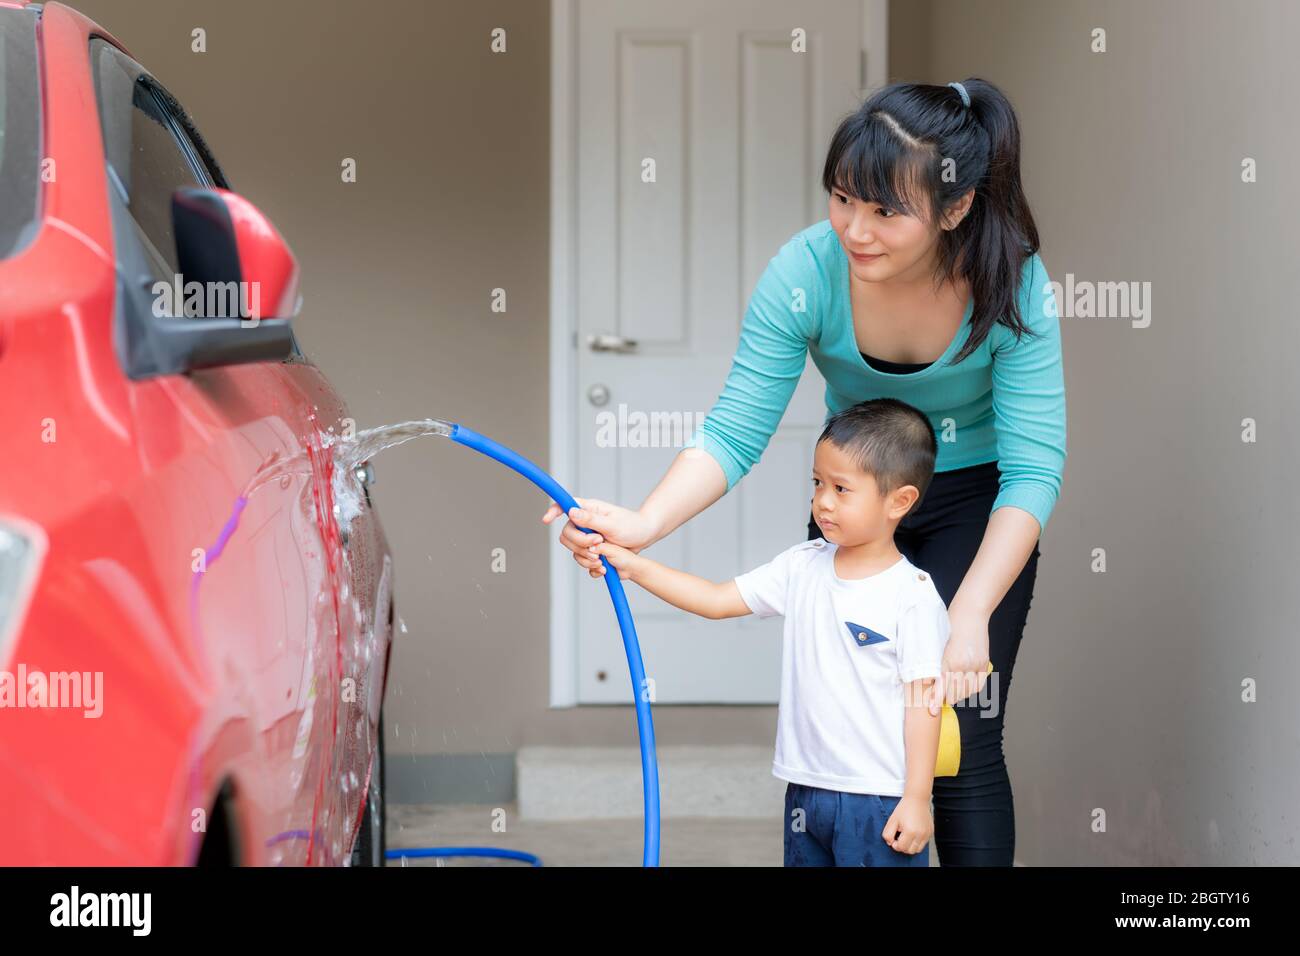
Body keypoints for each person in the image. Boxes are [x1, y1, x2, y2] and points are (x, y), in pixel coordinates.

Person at [543, 77, 1067, 866]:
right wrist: (643, 524)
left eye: (887, 211)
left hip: (976, 504)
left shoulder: (1010, 277)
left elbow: (1033, 468)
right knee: (846, 723)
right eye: (843, 199)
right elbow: (734, 430)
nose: (856, 230)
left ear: (954, 209)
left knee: (959, 739)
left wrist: (970, 613)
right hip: (858, 500)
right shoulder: (806, 272)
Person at [593, 399, 950, 866]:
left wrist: (917, 798)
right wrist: (634, 566)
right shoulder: (802, 566)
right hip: (806, 788)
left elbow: (924, 704)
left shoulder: (912, 595)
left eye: (842, 489)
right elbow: (717, 600)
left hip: (877, 798)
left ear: (899, 501)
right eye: (818, 483)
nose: (823, 500)